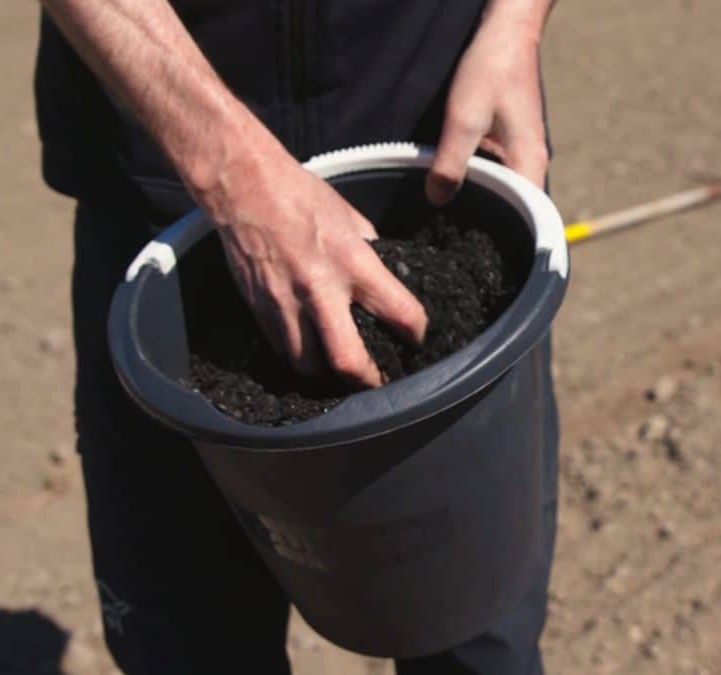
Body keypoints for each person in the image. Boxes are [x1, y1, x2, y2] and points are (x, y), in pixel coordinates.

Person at [34, 1, 559, 673]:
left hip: (436, 154)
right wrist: (232, 170)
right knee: (192, 641)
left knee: (474, 629)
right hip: (166, 187)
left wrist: (516, 24)